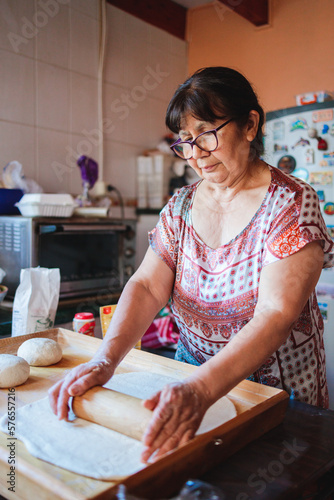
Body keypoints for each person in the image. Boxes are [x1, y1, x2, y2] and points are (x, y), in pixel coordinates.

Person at [49, 66, 333, 463]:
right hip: (188, 379)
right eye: (185, 141)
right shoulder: (180, 205)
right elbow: (147, 286)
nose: (196, 154)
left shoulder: (291, 203)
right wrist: (106, 358)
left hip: (271, 394)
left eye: (206, 133)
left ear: (250, 125)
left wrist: (202, 389)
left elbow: (275, 313)